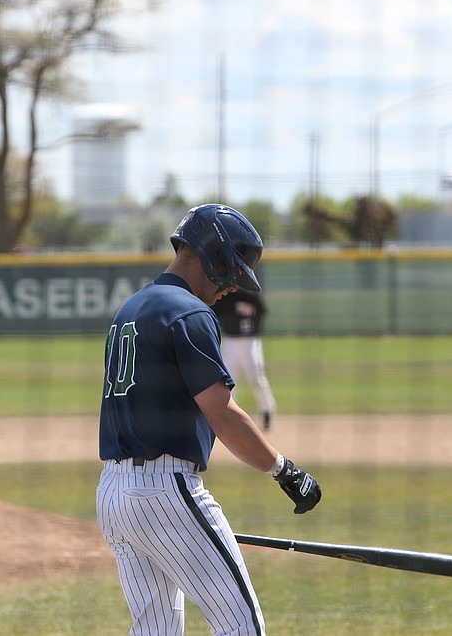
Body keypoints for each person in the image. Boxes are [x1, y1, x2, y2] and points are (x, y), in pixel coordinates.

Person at [96, 203, 322, 636]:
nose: (232, 286)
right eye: (232, 272)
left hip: (113, 495)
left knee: (156, 631)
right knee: (241, 626)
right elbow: (224, 415)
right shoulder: (190, 312)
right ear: (212, 255)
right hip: (164, 491)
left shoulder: (131, 309)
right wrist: (284, 470)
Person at [211, 287, 277, 430]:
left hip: (250, 341)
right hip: (230, 342)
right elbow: (214, 312)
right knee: (229, 381)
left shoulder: (250, 294)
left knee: (257, 379)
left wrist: (256, 329)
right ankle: (231, 417)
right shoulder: (225, 296)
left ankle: (267, 410)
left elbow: (262, 310)